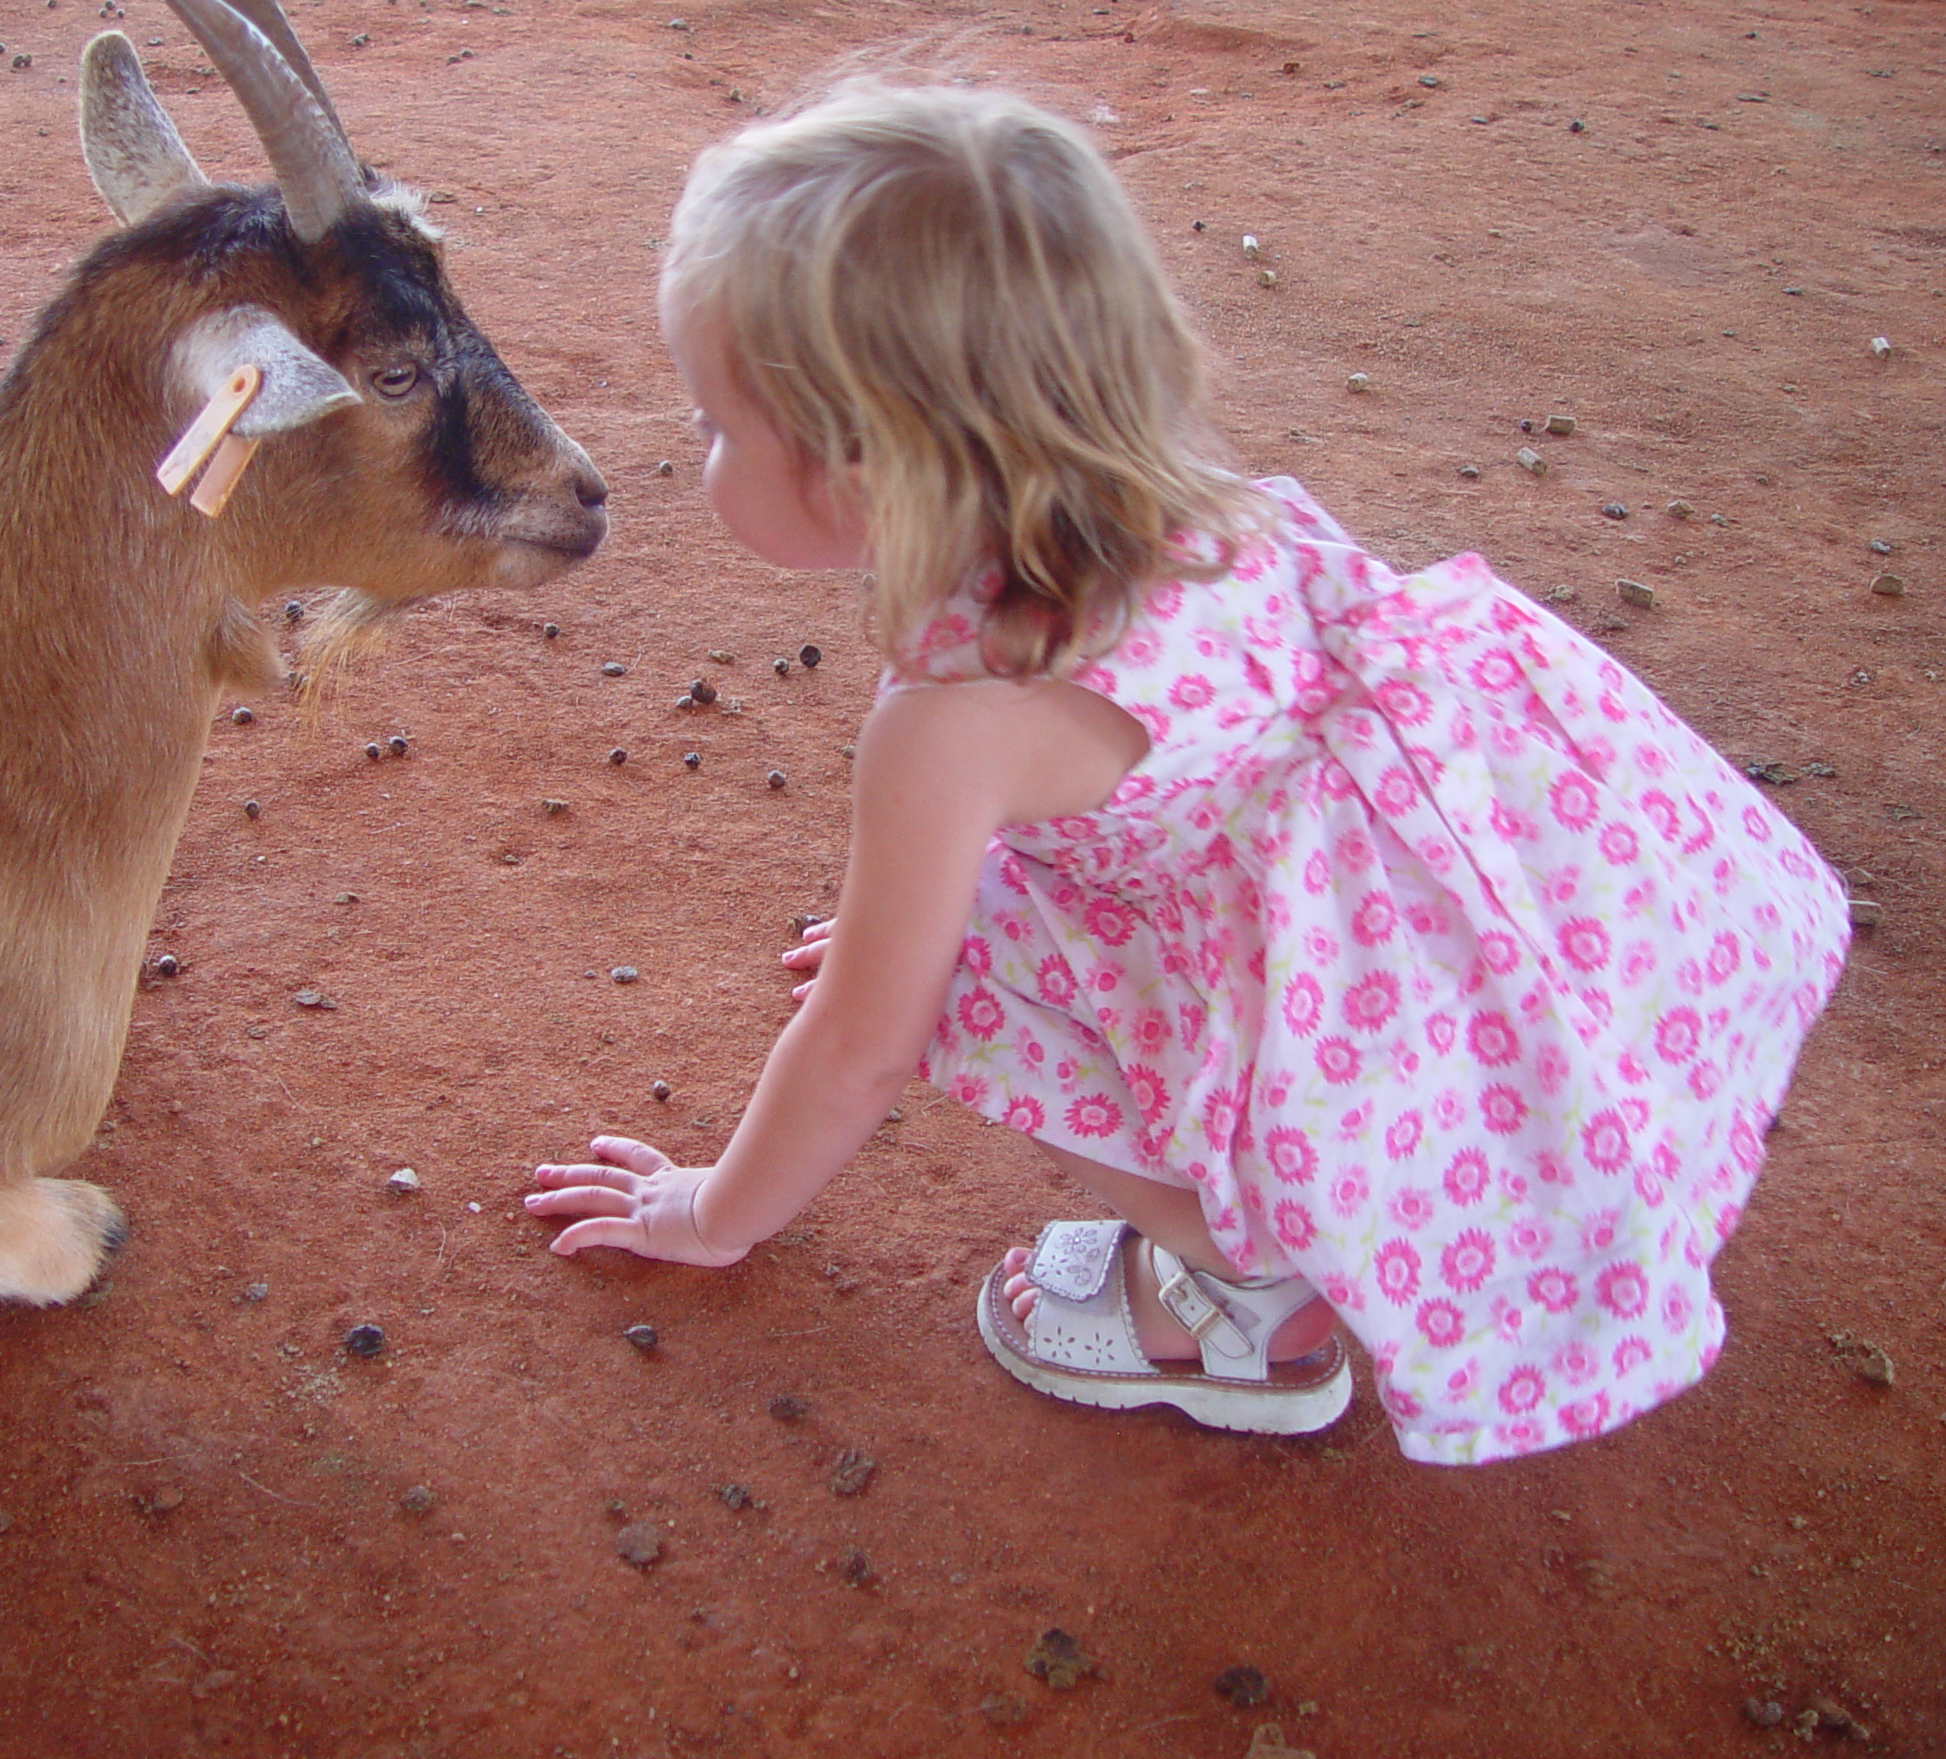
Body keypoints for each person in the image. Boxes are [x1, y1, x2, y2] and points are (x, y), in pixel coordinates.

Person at [525, 78, 1849, 1464]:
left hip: (1332, 1024)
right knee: (956, 924)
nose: (698, 458)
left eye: (720, 428)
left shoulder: (955, 722)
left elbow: (858, 1049)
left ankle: (1249, 1305)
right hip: (1416, 917)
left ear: (867, 475)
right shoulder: (1170, 491)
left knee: (953, 988)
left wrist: (711, 1212)